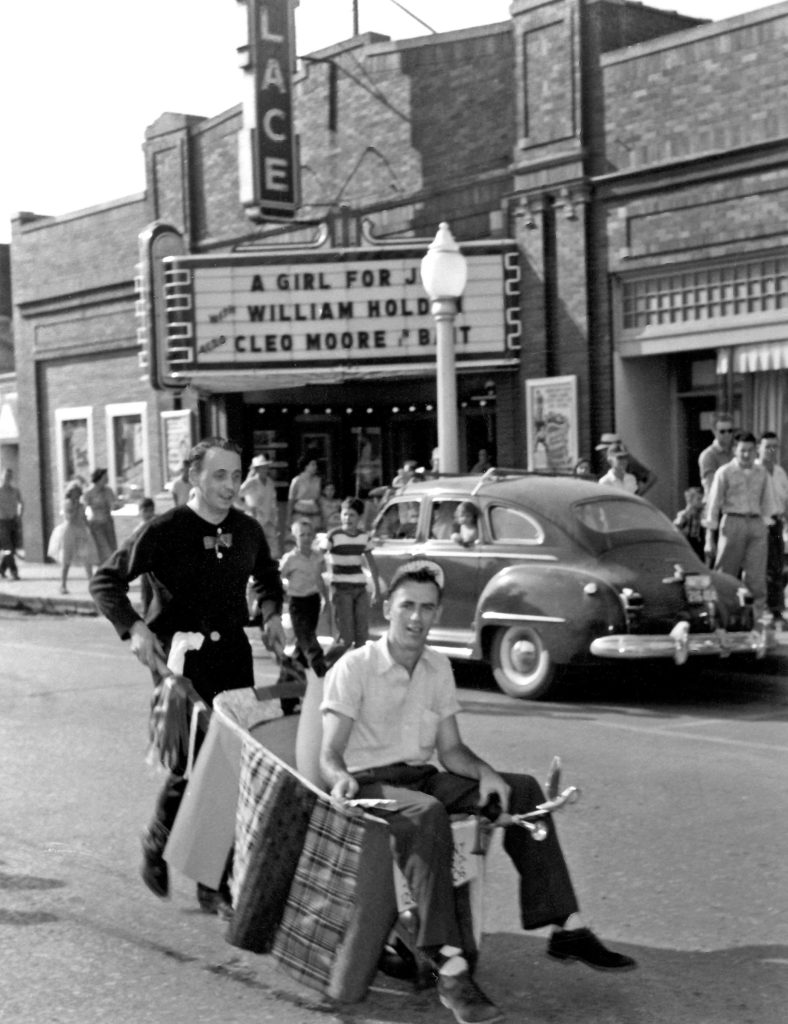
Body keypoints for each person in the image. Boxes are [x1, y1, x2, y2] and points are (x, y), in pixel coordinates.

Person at [320, 560, 636, 1024]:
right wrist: (339, 779)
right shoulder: (355, 667)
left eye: (428, 608)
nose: (417, 617)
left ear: (436, 613)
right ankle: (449, 968)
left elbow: (451, 750)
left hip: (423, 775)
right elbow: (330, 754)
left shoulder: (437, 667)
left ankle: (566, 926)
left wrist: (485, 774)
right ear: (387, 608)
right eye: (407, 605)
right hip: (372, 782)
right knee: (426, 813)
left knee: (523, 789)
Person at [89, 438, 285, 914]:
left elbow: (267, 573)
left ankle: (211, 882)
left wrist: (273, 613)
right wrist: (133, 627)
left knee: (231, 767)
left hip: (234, 660)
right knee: (194, 766)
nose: (230, 485)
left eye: (235, 475)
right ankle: (158, 838)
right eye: (219, 475)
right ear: (194, 478)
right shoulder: (165, 529)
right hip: (181, 665)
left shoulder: (247, 529)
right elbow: (105, 580)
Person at [704, 432, 779, 621]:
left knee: (756, 577)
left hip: (756, 523)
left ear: (755, 451)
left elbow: (768, 502)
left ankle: (754, 620)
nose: (746, 455)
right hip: (733, 522)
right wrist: (709, 538)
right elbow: (713, 506)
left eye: (750, 450)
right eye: (742, 450)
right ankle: (723, 617)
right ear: (735, 451)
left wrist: (765, 525)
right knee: (725, 574)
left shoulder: (762, 472)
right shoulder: (725, 472)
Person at [319, 496, 383, 649]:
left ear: (359, 518)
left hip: (359, 589)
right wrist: (320, 584)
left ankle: (357, 668)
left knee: (361, 633)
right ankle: (334, 666)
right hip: (341, 589)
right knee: (345, 635)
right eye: (345, 514)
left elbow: (372, 564)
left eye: (352, 515)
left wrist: (377, 590)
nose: (348, 518)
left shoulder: (363, 537)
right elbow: (318, 558)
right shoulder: (333, 536)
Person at [279, 518, 328, 677]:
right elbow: (279, 576)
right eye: (302, 535)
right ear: (295, 538)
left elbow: (319, 578)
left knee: (304, 638)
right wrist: (283, 594)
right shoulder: (290, 558)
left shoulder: (317, 557)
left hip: (313, 600)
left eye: (309, 535)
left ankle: (293, 665)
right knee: (307, 635)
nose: (306, 538)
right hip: (297, 602)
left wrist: (326, 599)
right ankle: (319, 665)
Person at [756, 431, 788, 621]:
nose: (771, 451)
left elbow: (785, 500)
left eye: (774, 447)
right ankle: (764, 607)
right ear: (759, 447)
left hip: (776, 523)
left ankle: (776, 608)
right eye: (767, 446)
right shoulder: (755, 471)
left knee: (777, 565)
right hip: (758, 522)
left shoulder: (780, 472)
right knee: (762, 566)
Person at [47, 481, 99, 593]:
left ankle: (91, 583)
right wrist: (75, 506)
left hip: (81, 531)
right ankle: (63, 585)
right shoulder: (67, 503)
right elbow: (69, 517)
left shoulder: (81, 505)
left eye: (78, 492)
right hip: (69, 531)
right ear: (70, 493)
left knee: (87, 557)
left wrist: (89, 527)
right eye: (74, 492)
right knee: (67, 558)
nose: (77, 495)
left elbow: (84, 518)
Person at [240, 453, 280, 557]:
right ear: (256, 469)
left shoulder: (270, 482)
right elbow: (235, 497)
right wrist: (248, 508)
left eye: (266, 467)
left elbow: (273, 503)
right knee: (254, 549)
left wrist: (275, 520)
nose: (265, 470)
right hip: (253, 520)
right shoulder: (251, 483)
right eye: (262, 468)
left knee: (273, 551)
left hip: (269, 521)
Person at [83, 468, 122, 564]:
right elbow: (83, 509)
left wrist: (118, 505)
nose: (107, 479)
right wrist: (85, 522)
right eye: (105, 477)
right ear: (99, 478)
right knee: (103, 549)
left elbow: (113, 505)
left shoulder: (108, 491)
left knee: (112, 548)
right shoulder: (89, 493)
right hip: (96, 525)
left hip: (108, 522)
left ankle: (110, 571)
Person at [698, 414, 736, 498]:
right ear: (714, 431)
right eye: (722, 431)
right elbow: (711, 486)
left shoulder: (736, 452)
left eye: (730, 431)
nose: (727, 434)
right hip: (716, 504)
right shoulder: (708, 455)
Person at [132, 497, 157, 617]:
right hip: (145, 565)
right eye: (145, 511)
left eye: (150, 510)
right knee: (146, 591)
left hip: (158, 563)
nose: (148, 514)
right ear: (140, 512)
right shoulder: (138, 529)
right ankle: (146, 613)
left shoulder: (157, 524)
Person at [287, 454, 322, 530]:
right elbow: (291, 500)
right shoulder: (296, 480)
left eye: (315, 465)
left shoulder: (318, 480)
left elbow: (319, 499)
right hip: (299, 511)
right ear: (306, 466)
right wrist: (288, 518)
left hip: (314, 511)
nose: (315, 467)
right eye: (312, 464)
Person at [0, 467, 23, 581]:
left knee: (11, 549)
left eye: (10, 476)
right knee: (8, 548)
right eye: (6, 476)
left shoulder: (15, 491)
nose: (8, 478)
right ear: (2, 477)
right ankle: (14, 572)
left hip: (12, 521)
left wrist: (19, 515)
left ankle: (2, 568)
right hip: (2, 522)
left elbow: (21, 503)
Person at [673, 486, 705, 560]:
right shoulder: (684, 515)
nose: (702, 502)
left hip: (698, 546)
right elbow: (676, 526)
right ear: (690, 500)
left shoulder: (701, 515)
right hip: (687, 545)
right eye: (699, 499)